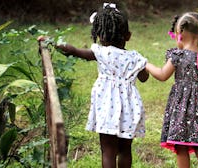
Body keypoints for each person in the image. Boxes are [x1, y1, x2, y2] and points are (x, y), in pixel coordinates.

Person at [39, 3, 149, 168]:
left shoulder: (100, 52)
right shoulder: (134, 57)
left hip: (106, 107)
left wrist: (52, 42)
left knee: (108, 150)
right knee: (125, 149)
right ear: (128, 36)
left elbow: (73, 50)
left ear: (99, 35)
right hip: (129, 108)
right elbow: (144, 77)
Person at [146, 12, 198, 168]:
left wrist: (146, 64)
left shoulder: (178, 55)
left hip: (181, 109)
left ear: (181, 33)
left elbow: (163, 75)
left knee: (181, 144)